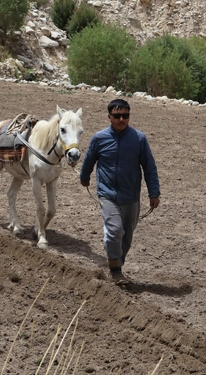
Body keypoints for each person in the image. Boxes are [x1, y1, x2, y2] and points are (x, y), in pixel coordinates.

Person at [79, 99, 160, 282]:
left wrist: (154, 193)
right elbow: (89, 160)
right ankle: (115, 269)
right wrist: (84, 177)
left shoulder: (139, 139)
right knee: (114, 231)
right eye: (117, 116)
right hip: (107, 194)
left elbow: (149, 167)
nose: (121, 119)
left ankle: (117, 264)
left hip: (131, 196)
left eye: (125, 116)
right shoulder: (99, 138)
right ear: (109, 117)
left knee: (126, 236)